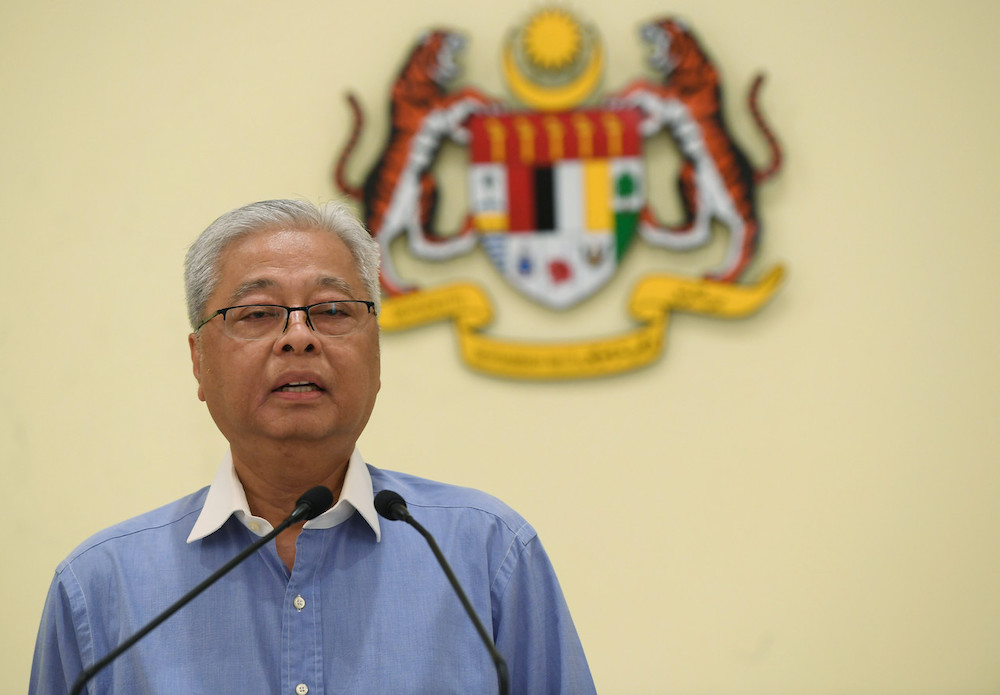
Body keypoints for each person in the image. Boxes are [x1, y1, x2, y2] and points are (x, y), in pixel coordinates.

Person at [29, 199, 597, 694]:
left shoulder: (487, 556)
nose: (299, 336)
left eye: (331, 311)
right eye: (256, 314)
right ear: (198, 361)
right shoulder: (102, 589)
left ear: (376, 355)